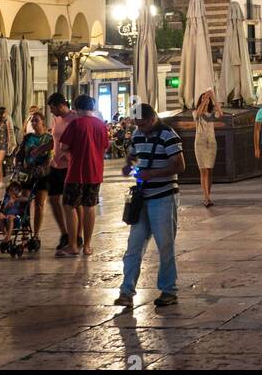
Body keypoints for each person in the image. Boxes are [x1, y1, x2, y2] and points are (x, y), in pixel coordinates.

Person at [116, 103, 185, 311]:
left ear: (153, 118)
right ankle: (126, 292)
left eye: (143, 124)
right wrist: (130, 164)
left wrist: (152, 174)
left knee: (165, 245)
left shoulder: (168, 135)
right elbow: (134, 156)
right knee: (133, 247)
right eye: (137, 124)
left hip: (163, 197)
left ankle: (169, 290)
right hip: (142, 198)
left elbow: (180, 165)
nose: (141, 128)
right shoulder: (137, 134)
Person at [57, 95, 109, 258]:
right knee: (89, 206)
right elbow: (105, 147)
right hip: (95, 171)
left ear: (77, 108)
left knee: (69, 205)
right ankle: (87, 246)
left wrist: (65, 153)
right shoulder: (101, 125)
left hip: (76, 172)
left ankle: (72, 245)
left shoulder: (76, 124)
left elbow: (64, 146)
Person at [15, 111, 53, 239]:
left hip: (43, 175)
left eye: (36, 120)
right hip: (27, 174)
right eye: (32, 121)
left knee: (39, 204)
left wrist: (43, 168)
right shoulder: (28, 137)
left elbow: (50, 157)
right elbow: (20, 153)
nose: (34, 123)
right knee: (24, 202)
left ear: (43, 122)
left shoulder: (49, 139)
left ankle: (36, 233)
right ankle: (25, 230)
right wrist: (19, 164)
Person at [46, 92, 75, 253]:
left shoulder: (74, 119)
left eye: (52, 108)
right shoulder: (56, 119)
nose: (51, 112)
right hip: (55, 165)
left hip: (70, 166)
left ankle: (75, 235)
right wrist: (41, 149)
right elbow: (54, 140)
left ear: (60, 105)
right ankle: (64, 233)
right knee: (53, 199)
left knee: (71, 203)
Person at [193, 89, 221, 207]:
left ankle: (208, 195)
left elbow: (221, 113)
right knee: (203, 170)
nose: (206, 100)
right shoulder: (196, 113)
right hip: (200, 143)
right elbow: (199, 113)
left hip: (211, 143)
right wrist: (204, 99)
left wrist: (213, 97)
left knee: (210, 170)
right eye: (203, 98)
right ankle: (206, 197)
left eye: (207, 99)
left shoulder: (212, 114)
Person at [0, 106, 16, 189]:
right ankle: (1, 181)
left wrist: (9, 143)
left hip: (3, 144)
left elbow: (8, 133)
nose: (6, 113)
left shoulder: (6, 122)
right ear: (1, 113)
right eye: (5, 112)